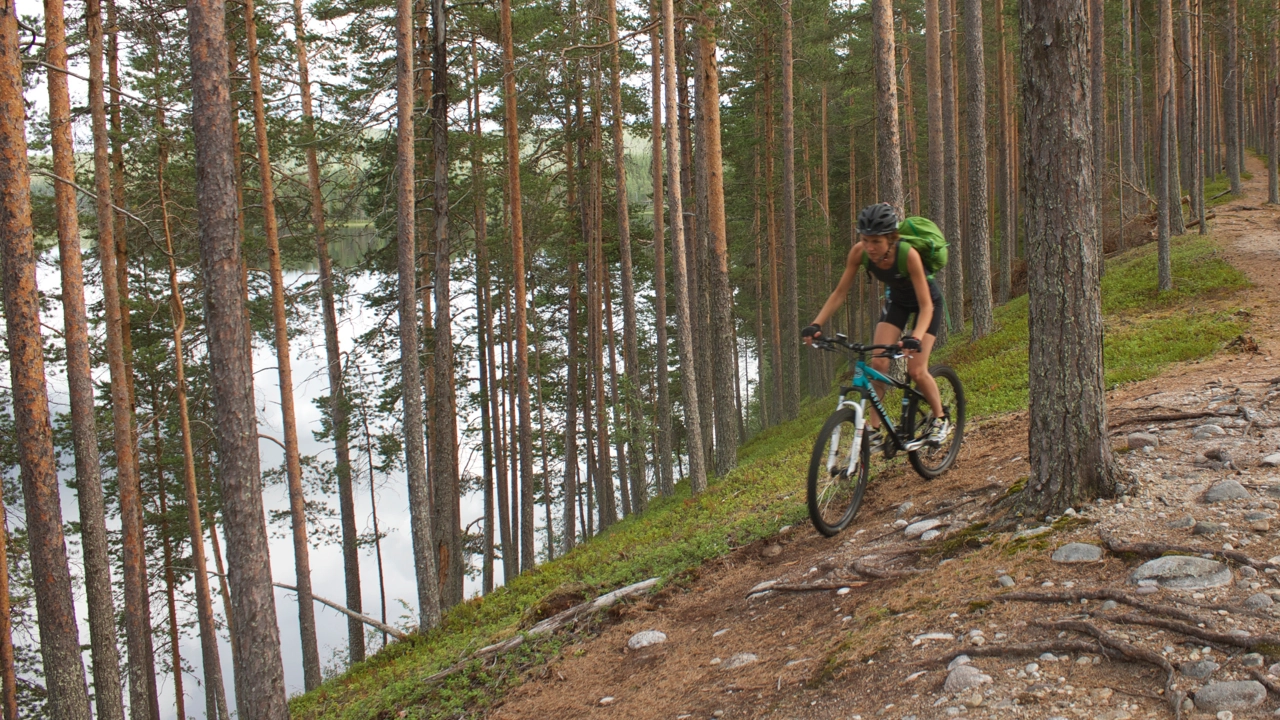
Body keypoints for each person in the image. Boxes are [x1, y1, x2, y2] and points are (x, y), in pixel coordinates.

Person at [801, 202, 950, 450]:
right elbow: (840, 292)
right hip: (898, 303)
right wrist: (816, 323)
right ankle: (873, 430)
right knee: (878, 364)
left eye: (876, 242)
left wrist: (916, 337)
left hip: (927, 304)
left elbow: (926, 306)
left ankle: (941, 418)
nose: (870, 247)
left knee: (916, 370)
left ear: (891, 239)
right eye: (865, 239)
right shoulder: (859, 253)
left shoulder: (907, 254)